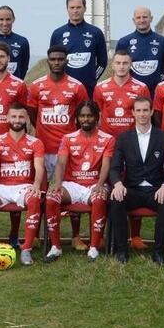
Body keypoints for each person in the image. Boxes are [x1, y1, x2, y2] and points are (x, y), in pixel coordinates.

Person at [27, 46, 89, 249]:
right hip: (43, 149)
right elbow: (33, 115)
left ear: (66, 61)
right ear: (48, 61)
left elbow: (82, 117)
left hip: (69, 150)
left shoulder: (77, 87)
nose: (56, 62)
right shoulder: (37, 86)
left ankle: (76, 236)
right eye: (53, 59)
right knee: (41, 191)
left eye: (60, 59)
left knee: (72, 190)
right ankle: (36, 234)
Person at [93, 50, 153, 250]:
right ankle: (101, 234)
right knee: (106, 188)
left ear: (131, 65)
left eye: (125, 63)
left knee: (133, 186)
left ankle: (135, 235)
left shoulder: (141, 87)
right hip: (109, 145)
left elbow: (144, 114)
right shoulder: (101, 88)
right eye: (118, 63)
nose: (121, 67)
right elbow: (98, 116)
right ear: (112, 65)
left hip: (134, 145)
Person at [107, 98, 164, 265]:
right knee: (116, 200)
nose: (142, 114)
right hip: (132, 190)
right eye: (138, 111)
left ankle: (158, 253)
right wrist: (117, 184)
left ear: (152, 111)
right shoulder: (124, 138)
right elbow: (115, 167)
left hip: (155, 189)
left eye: (145, 110)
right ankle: (122, 251)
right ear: (132, 113)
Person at [0, 103, 45, 267]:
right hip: (2, 187)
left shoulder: (35, 142)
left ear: (27, 119)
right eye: (13, 116)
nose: (17, 120)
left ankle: (26, 249)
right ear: (7, 117)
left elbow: (39, 167)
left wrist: (36, 184)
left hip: (24, 187)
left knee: (34, 199)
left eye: (21, 117)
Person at [47, 101, 114, 262]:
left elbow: (106, 164)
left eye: (90, 116)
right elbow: (61, 163)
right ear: (77, 119)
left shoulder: (108, 139)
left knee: (99, 199)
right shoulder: (68, 138)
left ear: (97, 118)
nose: (86, 119)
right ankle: (55, 247)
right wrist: (57, 183)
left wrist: (100, 184)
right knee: (51, 198)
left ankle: (94, 247)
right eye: (82, 116)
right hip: (73, 185)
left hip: (95, 183)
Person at [48, 0, 108, 96]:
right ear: (67, 9)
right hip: (63, 88)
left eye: (78, 7)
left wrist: (92, 78)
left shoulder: (96, 33)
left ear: (85, 8)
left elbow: (102, 62)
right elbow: (52, 61)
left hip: (88, 88)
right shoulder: (58, 33)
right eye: (72, 7)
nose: (75, 11)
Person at [116, 6, 164, 98]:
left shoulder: (163, 42)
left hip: (154, 94)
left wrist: (156, 82)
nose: (142, 20)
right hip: (131, 94)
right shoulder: (124, 42)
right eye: (138, 18)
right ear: (133, 20)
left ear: (151, 19)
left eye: (145, 17)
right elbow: (119, 67)